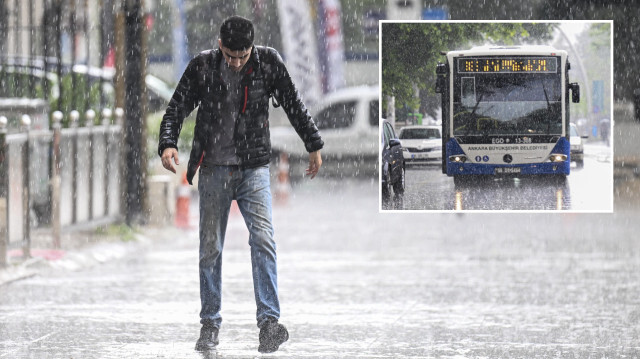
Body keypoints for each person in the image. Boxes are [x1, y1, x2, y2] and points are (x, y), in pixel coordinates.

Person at [158, 15, 323, 353]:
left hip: (254, 169)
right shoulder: (203, 67)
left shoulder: (268, 63)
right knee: (210, 248)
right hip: (215, 170)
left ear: (251, 47)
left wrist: (313, 143)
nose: (236, 62)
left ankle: (269, 324)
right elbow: (177, 107)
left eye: (242, 55)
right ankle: (210, 325)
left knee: (263, 239)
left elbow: (293, 103)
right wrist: (168, 142)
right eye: (231, 55)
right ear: (220, 45)